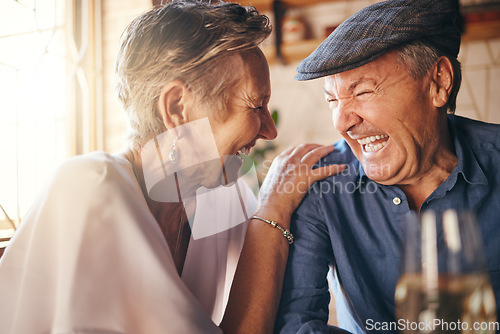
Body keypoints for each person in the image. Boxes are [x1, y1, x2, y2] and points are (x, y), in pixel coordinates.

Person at [0, 1, 345, 333]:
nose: (270, 130)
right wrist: (273, 207)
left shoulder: (221, 199)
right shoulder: (89, 186)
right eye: (256, 106)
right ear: (178, 108)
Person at [275, 0, 500, 333]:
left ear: (438, 82)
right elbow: (296, 324)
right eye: (332, 100)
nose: (342, 122)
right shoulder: (323, 184)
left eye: (364, 91)